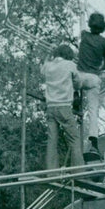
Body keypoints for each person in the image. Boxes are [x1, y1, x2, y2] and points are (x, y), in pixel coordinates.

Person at [42, 42, 82, 170]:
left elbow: (42, 69)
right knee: (74, 139)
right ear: (68, 55)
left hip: (50, 107)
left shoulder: (48, 66)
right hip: (64, 106)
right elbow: (79, 83)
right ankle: (78, 172)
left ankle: (51, 172)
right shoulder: (70, 65)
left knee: (52, 141)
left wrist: (49, 56)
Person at [76, 12, 105, 161]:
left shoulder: (84, 35)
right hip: (93, 78)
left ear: (90, 25)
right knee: (93, 111)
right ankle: (93, 142)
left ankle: (75, 96)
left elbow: (81, 22)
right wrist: (98, 67)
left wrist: (82, 8)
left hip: (80, 77)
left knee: (71, 76)